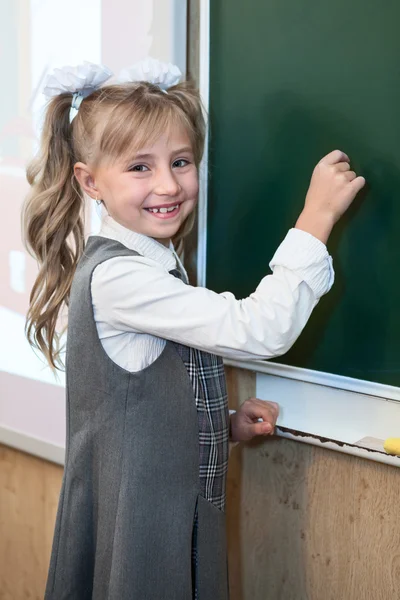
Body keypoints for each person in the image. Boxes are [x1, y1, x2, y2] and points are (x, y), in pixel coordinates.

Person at [22, 58, 365, 599]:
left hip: (166, 512)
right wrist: (315, 218)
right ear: (90, 181)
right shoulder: (120, 277)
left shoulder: (153, 265)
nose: (168, 183)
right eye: (140, 167)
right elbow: (260, 330)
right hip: (142, 529)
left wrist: (222, 423)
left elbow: (137, 403)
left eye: (181, 161)